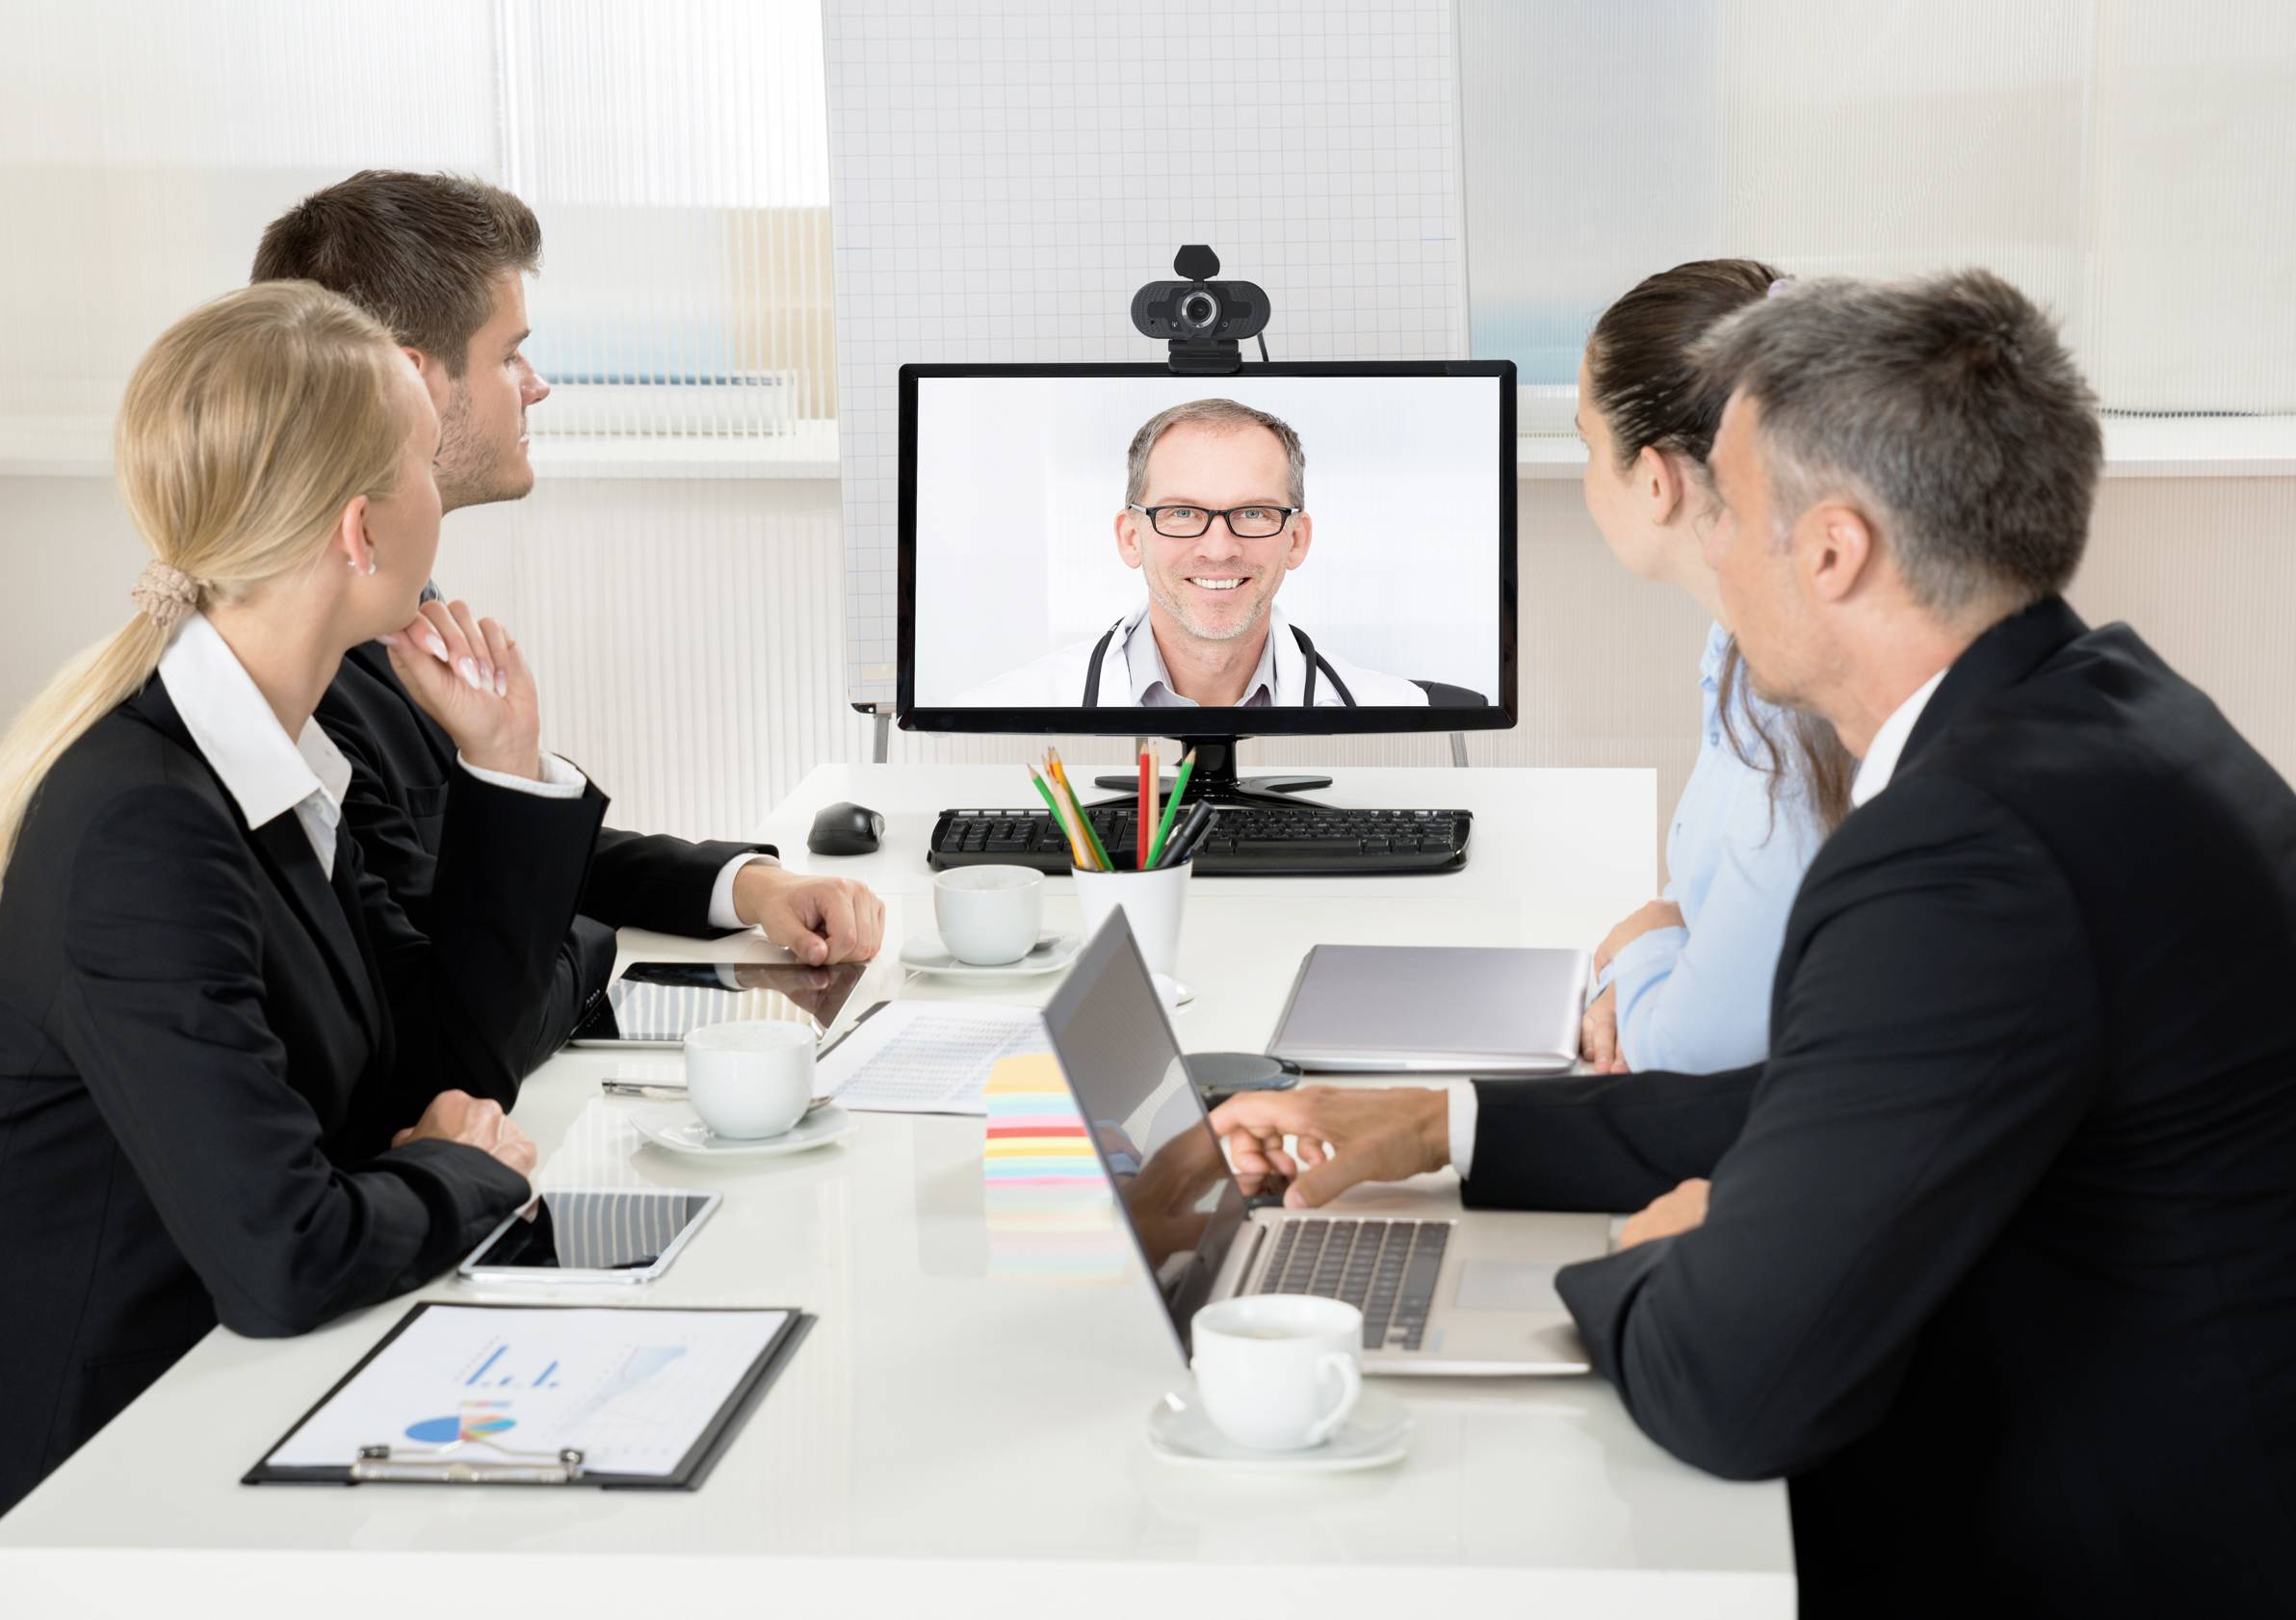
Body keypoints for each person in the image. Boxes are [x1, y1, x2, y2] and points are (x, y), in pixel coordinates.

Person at [1213, 271, 2296, 1617]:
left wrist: (1659, 1250)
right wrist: (1444, 1126)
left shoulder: (1970, 848)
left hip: (2127, 1547)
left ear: (1834, 550)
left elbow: (1731, 1387)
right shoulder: (2100, 712)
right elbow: (1846, 1096)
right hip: (2225, 1455)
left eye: (1726, 502)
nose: (1705, 538)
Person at [0, 282, 610, 1512]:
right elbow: (287, 1251)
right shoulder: (146, 823)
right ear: (358, 528)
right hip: (117, 1466)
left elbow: (435, 1064)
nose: (444, 493)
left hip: (250, 1391)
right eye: (425, 464)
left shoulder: (267, 762)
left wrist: (499, 771)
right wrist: (466, 1171)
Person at [250, 170, 883, 1080]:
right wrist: (583, 939)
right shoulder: (307, 680)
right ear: (406, 376)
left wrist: (745, 885)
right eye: (509, 354)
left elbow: (499, 862)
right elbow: (474, 979)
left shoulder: (396, 604)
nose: (535, 386)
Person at [1572, 261, 1853, 1075]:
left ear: (1655, 481)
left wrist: (1638, 955)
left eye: (1590, 446)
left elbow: (1690, 1056)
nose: (1591, 474)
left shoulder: (1803, 720)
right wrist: (1669, 924)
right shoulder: (1740, 646)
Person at [952, 398, 1467, 708]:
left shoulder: (1399, 712)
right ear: (1131, 537)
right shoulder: (1003, 709)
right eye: (1181, 513)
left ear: (1297, 539)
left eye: (1254, 513)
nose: (1219, 549)